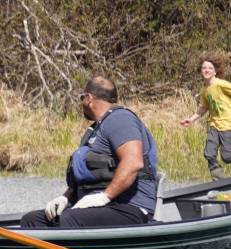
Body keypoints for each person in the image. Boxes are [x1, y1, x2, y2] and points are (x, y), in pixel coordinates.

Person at [20, 76, 158, 229]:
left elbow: (133, 163)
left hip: (128, 208)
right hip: (99, 208)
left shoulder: (120, 119)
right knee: (32, 220)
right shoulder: (95, 131)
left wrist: (105, 197)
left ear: (88, 98)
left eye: (81, 98)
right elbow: (89, 176)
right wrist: (65, 198)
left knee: (69, 219)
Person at [179, 53, 231, 179]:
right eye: (204, 68)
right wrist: (191, 119)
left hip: (228, 124)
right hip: (214, 124)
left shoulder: (221, 84)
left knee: (227, 157)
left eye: (210, 68)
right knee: (209, 153)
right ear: (200, 71)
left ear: (215, 72)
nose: (206, 70)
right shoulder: (204, 90)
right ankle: (218, 180)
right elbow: (204, 108)